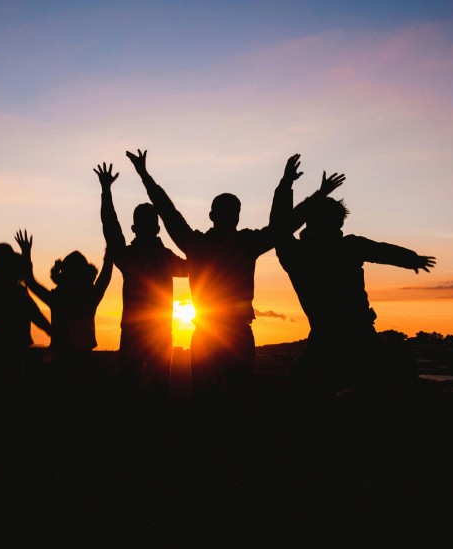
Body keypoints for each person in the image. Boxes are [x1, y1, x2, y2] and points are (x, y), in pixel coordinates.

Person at [125, 149, 306, 399]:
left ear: (211, 215)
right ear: (236, 216)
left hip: (209, 337)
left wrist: (145, 176)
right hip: (235, 335)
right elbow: (282, 227)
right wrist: (286, 185)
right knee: (239, 403)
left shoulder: (198, 245)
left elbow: (168, 214)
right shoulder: (245, 243)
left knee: (206, 406)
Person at [276, 173, 436, 395]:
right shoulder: (346, 247)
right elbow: (380, 250)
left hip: (330, 340)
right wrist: (411, 259)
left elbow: (280, 229)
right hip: (356, 338)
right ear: (336, 223)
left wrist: (290, 186)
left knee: (303, 388)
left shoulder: (297, 255)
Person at [96, 162, 188, 396]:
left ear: (134, 228)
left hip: (135, 333)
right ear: (158, 229)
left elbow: (111, 227)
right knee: (156, 394)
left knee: (129, 393)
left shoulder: (130, 256)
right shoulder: (164, 258)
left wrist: (106, 191)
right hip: (156, 333)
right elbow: (193, 268)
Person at [15, 230, 112, 366]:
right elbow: (106, 273)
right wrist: (110, 248)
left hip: (60, 360)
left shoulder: (57, 298)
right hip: (83, 362)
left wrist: (26, 254)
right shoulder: (90, 297)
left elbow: (30, 282)